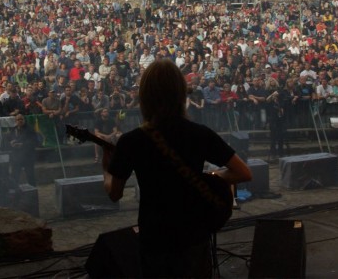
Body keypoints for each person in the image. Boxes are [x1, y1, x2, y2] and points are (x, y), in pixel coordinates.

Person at [102, 59, 252, 277]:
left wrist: (106, 168)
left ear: (145, 96)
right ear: (181, 95)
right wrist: (209, 177)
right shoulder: (200, 133)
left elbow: (114, 193)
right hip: (194, 236)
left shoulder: (131, 141)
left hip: (155, 238)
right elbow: (243, 172)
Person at [8, 113, 38, 186]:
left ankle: (33, 193)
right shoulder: (12, 130)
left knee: (30, 176)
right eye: (18, 119)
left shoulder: (30, 129)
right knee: (14, 176)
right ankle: (14, 193)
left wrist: (22, 145)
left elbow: (34, 141)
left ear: (24, 120)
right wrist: (11, 143)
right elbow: (7, 141)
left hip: (28, 157)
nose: (20, 121)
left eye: (21, 119)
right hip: (16, 157)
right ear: (15, 121)